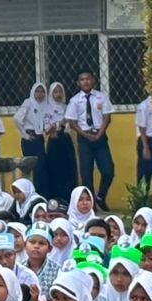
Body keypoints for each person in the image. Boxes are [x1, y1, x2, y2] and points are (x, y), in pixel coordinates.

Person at [64, 71, 114, 207]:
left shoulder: (101, 97)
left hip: (100, 136)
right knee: (86, 174)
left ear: (93, 81)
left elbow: (107, 117)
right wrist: (85, 135)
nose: (85, 82)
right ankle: (91, 205)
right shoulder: (75, 101)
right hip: (84, 138)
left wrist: (99, 134)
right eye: (82, 79)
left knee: (108, 170)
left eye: (88, 79)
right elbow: (72, 122)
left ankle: (100, 196)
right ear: (78, 83)